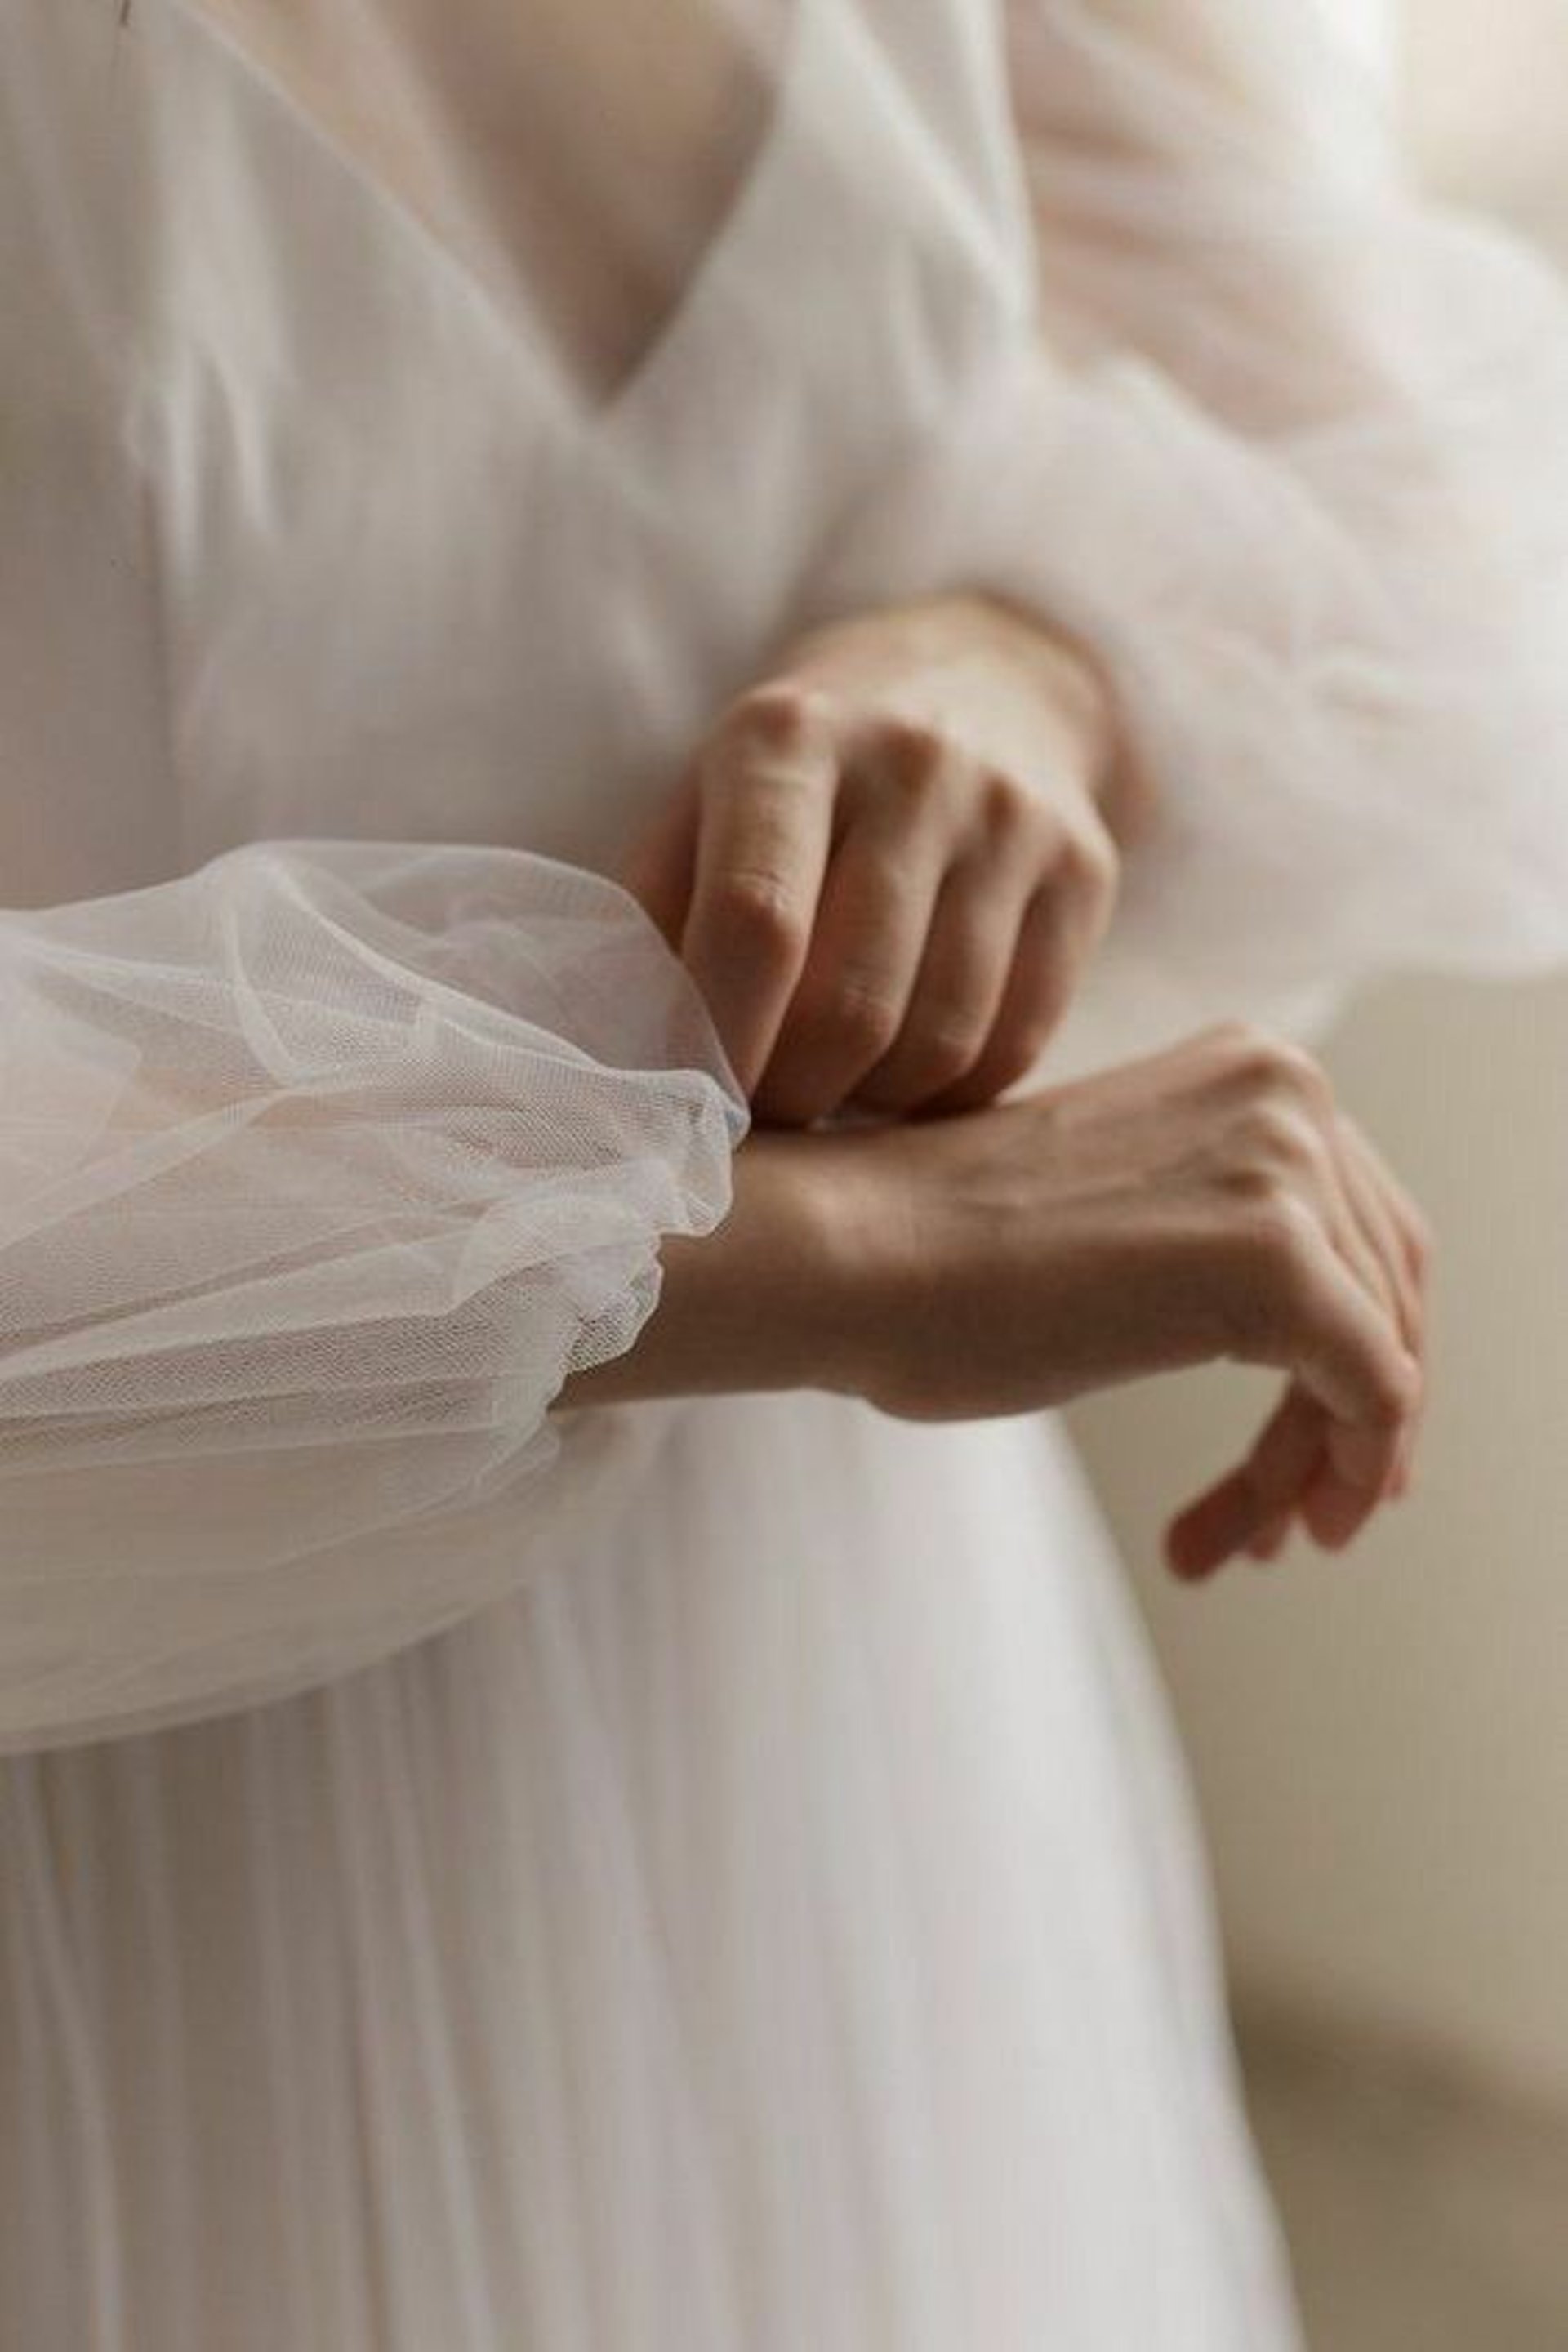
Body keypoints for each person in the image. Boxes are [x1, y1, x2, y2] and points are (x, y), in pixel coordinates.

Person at [3, 2, 1567, 2343]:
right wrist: (805, 1247)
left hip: (807, 1698)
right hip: (126, 1795)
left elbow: (1397, 450)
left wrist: (1034, 653)